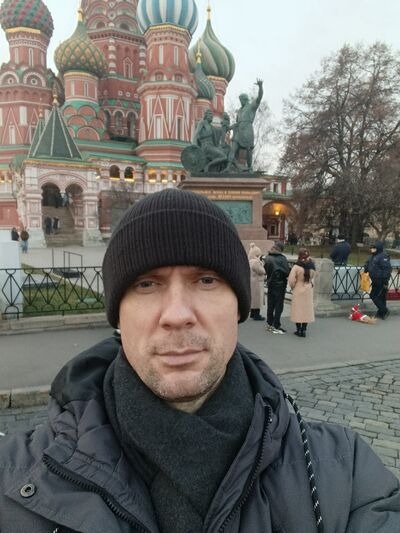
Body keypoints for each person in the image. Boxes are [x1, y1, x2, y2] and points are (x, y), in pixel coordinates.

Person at [0, 190, 399, 532]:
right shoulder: (16, 482)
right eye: (146, 284)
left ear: (238, 307)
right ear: (118, 314)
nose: (177, 314)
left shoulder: (342, 473)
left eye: (206, 280)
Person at [226, 79, 263, 172]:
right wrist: (229, 128)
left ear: (244, 99)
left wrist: (260, 87)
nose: (240, 102)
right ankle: (228, 167)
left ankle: (250, 167)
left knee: (248, 150)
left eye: (241, 100)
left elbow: (259, 98)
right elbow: (237, 123)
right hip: (239, 132)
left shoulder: (251, 106)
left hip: (247, 131)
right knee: (233, 148)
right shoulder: (239, 110)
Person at [288, 248, 316, 337]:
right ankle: (304, 330)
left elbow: (291, 280)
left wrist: (293, 287)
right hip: (308, 289)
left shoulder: (296, 266)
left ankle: (298, 330)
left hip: (298, 288)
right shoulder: (312, 265)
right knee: (306, 310)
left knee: (298, 309)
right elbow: (313, 277)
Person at [264, 241, 290, 334]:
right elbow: (286, 272)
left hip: (270, 283)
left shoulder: (268, 258)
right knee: (279, 306)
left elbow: (265, 270)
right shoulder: (282, 258)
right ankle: (276, 325)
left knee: (270, 304)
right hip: (280, 284)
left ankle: (269, 324)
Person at [364, 240, 392, 319]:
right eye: (371, 248)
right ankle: (381, 313)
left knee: (374, 295)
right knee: (381, 297)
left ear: (378, 248)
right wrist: (366, 268)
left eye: (374, 248)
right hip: (375, 280)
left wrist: (385, 281)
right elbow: (369, 264)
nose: (371, 249)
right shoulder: (373, 256)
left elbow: (387, 269)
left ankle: (384, 310)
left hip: (381, 280)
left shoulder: (383, 256)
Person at [248, 242, 265, 320]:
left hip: (252, 281)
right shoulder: (256, 262)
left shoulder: (250, 261)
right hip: (257, 282)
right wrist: (262, 264)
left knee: (253, 298)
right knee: (257, 299)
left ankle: (252, 313)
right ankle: (256, 315)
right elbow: (262, 271)